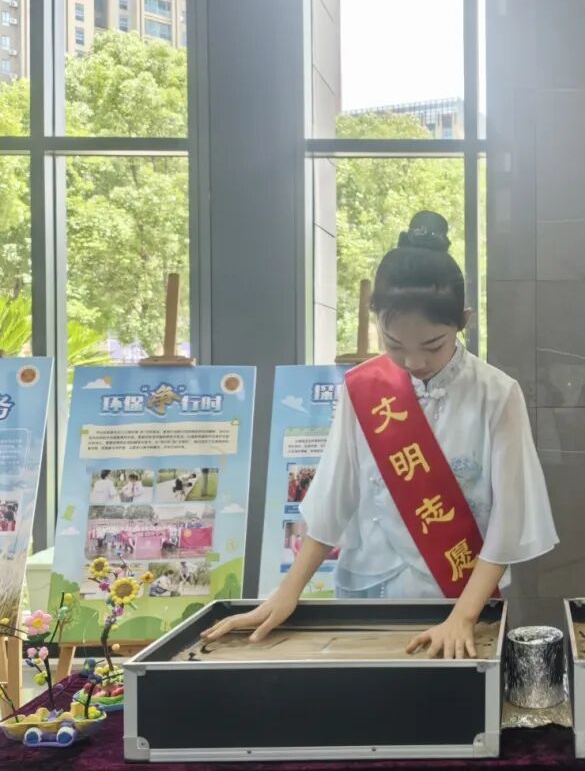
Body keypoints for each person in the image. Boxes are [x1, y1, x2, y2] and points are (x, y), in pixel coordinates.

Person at [203, 210, 559, 658]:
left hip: (459, 601)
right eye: (394, 345)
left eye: (432, 345)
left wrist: (464, 616)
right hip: (367, 592)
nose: (413, 362)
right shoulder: (364, 388)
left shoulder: (497, 394)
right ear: (375, 320)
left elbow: (511, 518)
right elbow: (334, 499)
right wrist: (286, 593)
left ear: (463, 321)